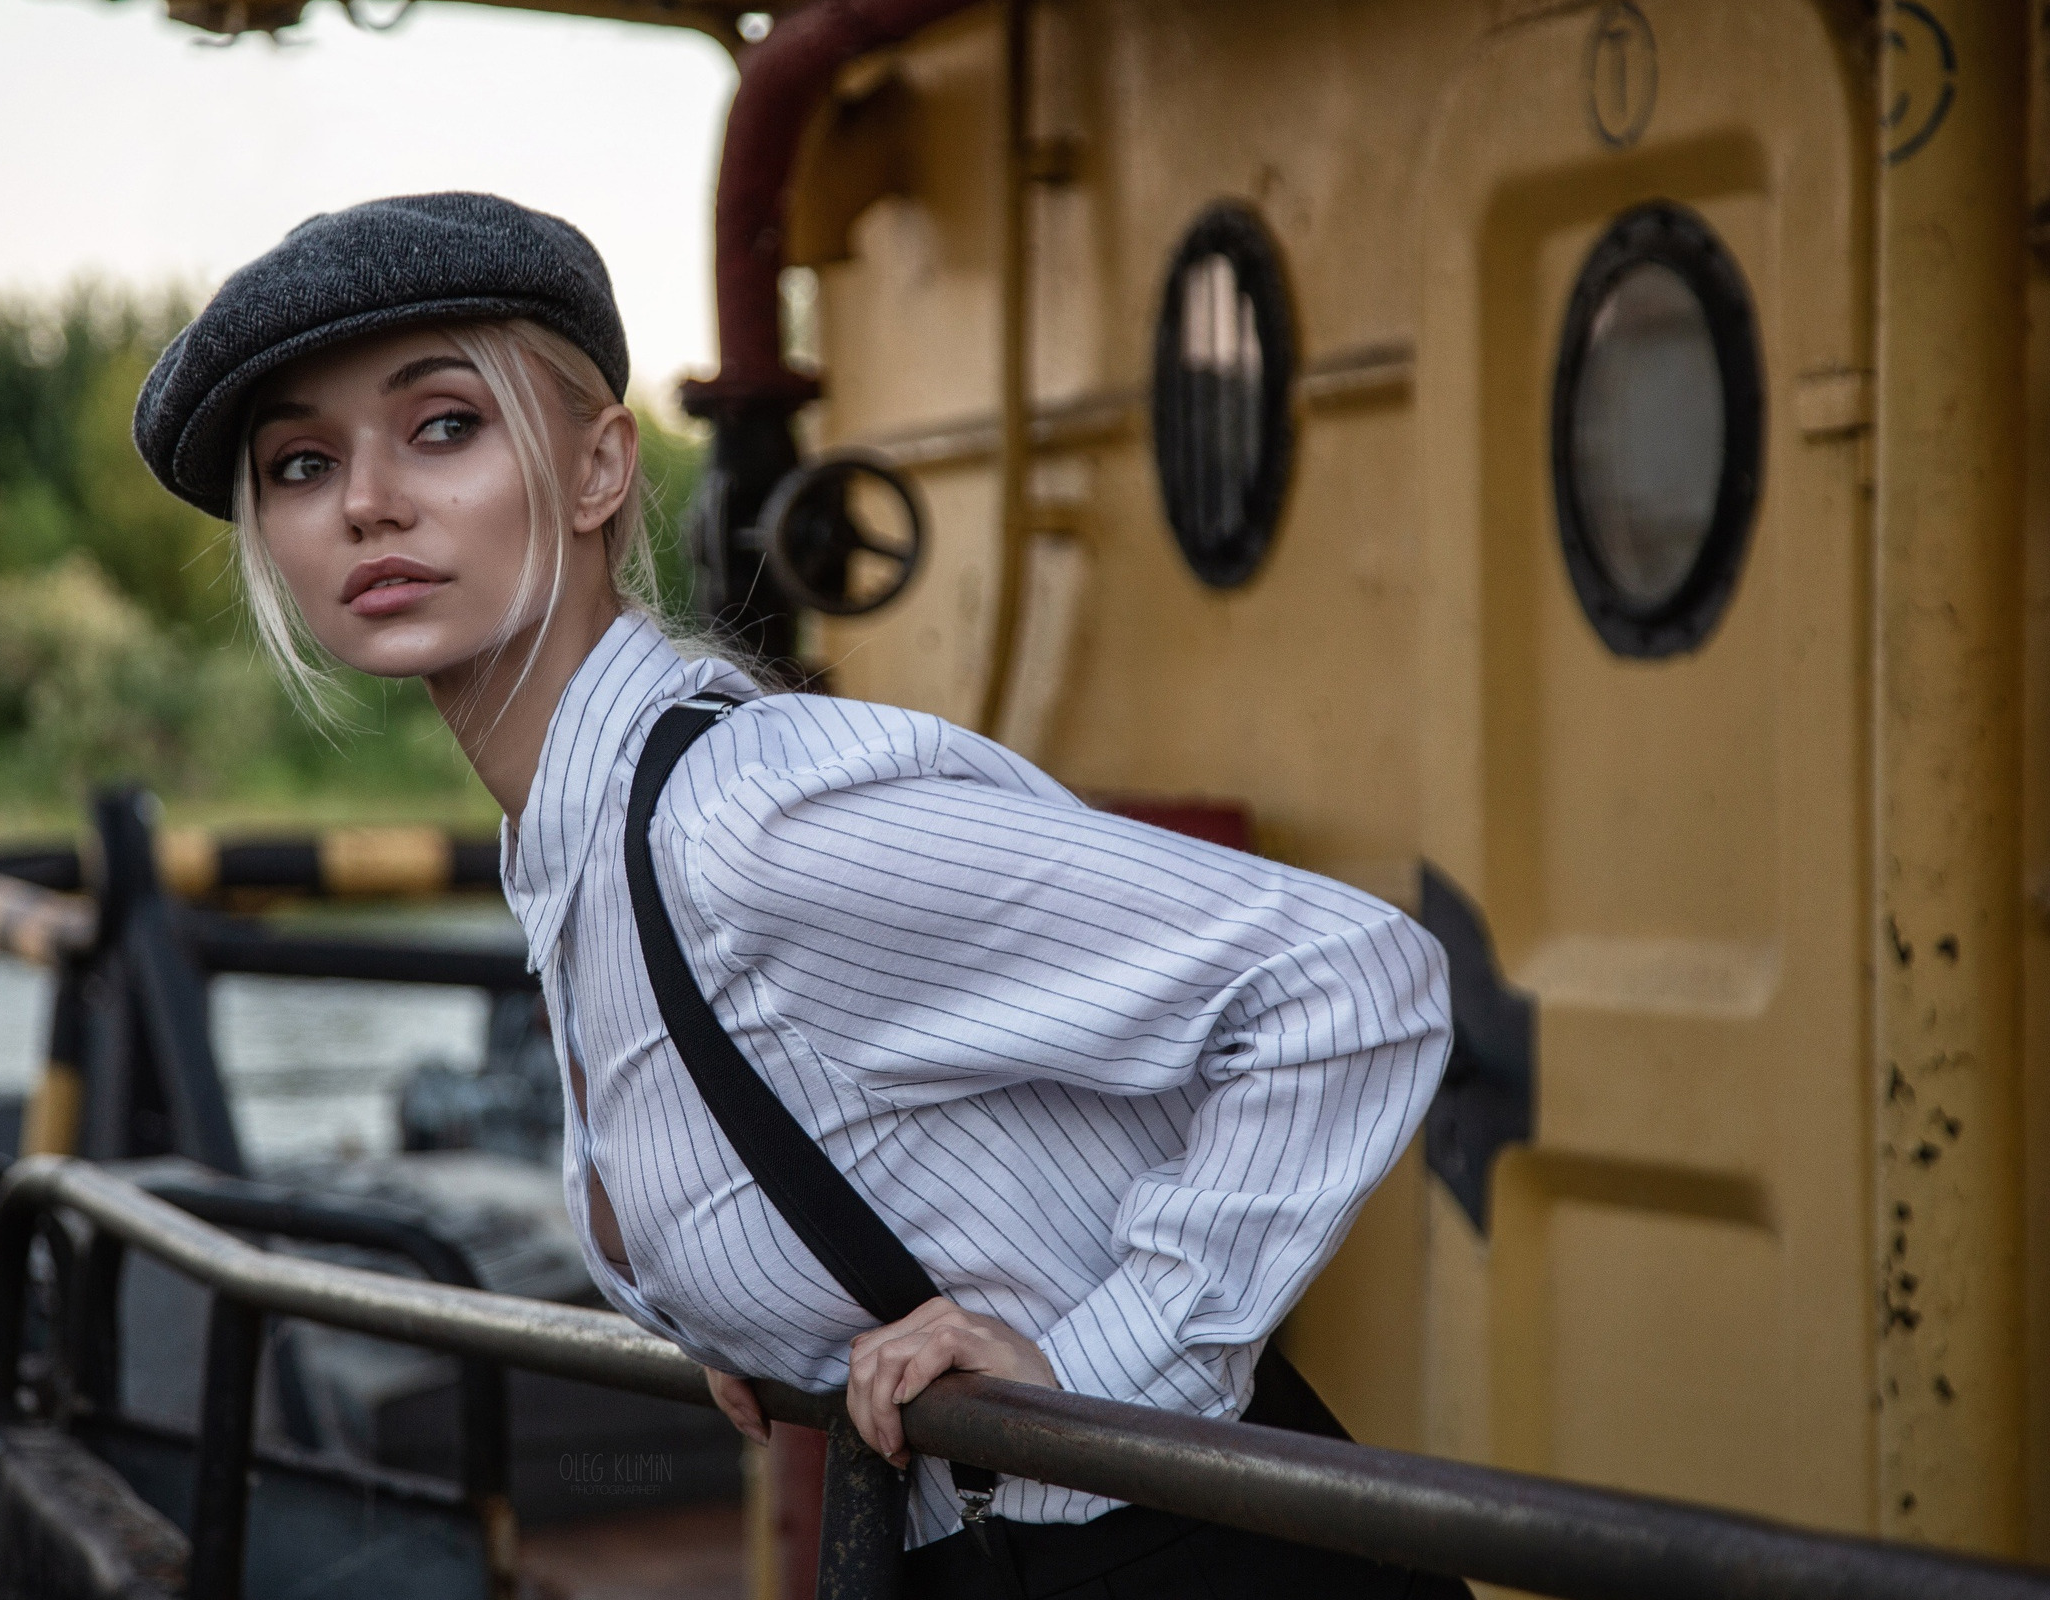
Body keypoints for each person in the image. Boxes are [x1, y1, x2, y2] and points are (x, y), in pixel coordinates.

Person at [135, 191, 1462, 1599]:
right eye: (300, 464)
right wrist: (763, 1311)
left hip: (1160, 1558)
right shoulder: (580, 848)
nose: (366, 501)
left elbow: (1350, 981)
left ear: (598, 471)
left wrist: (1097, 1375)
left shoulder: (736, 824)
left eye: (444, 426)